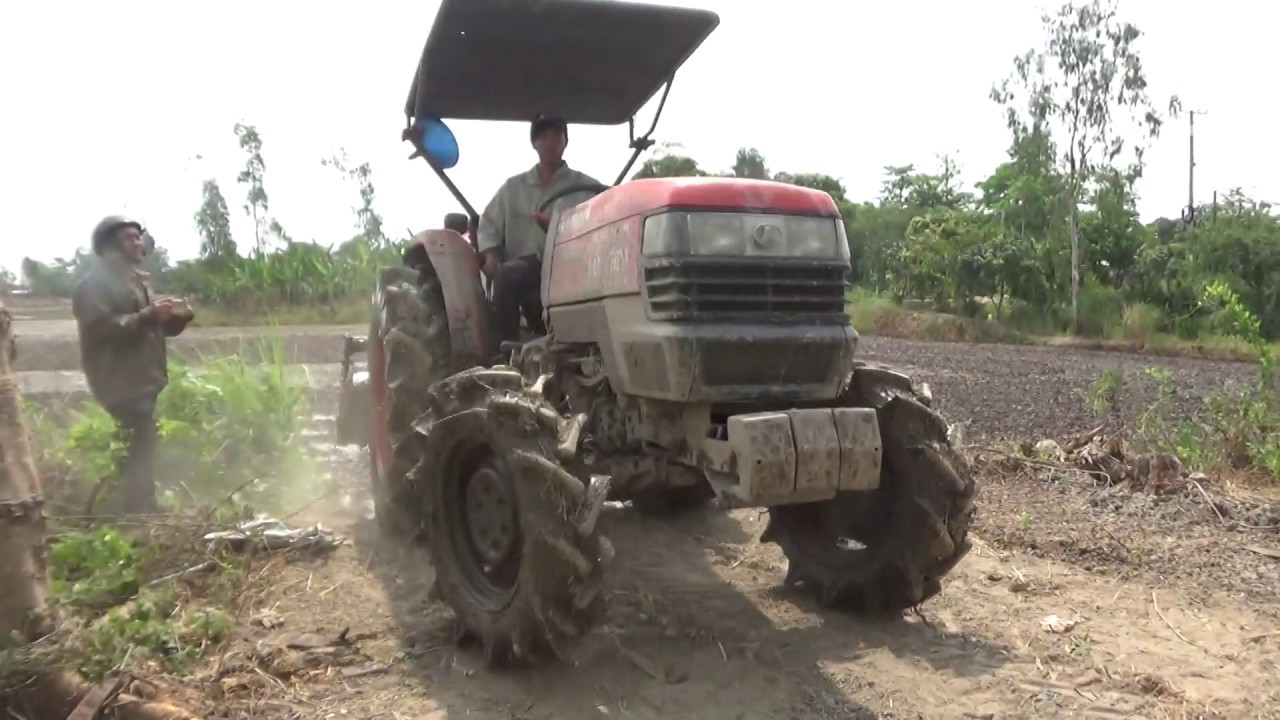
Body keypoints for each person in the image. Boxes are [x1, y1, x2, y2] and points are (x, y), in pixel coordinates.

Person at [72, 215, 194, 514]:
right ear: (110, 246)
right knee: (141, 439)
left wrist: (176, 319)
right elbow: (104, 330)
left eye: (139, 237)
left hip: (143, 378)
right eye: (130, 238)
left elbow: (151, 329)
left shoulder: (137, 280)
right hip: (118, 381)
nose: (139, 242)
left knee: (142, 441)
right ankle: (138, 510)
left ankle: (133, 503)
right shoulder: (93, 285)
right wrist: (151, 315)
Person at [477, 115, 603, 350]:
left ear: (565, 142)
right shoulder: (512, 188)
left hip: (570, 267)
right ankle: (506, 352)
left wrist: (557, 230)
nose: (550, 142)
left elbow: (600, 227)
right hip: (526, 269)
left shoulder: (587, 188)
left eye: (557, 136)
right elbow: (488, 224)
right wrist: (491, 253)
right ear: (535, 143)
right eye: (544, 137)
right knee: (505, 276)